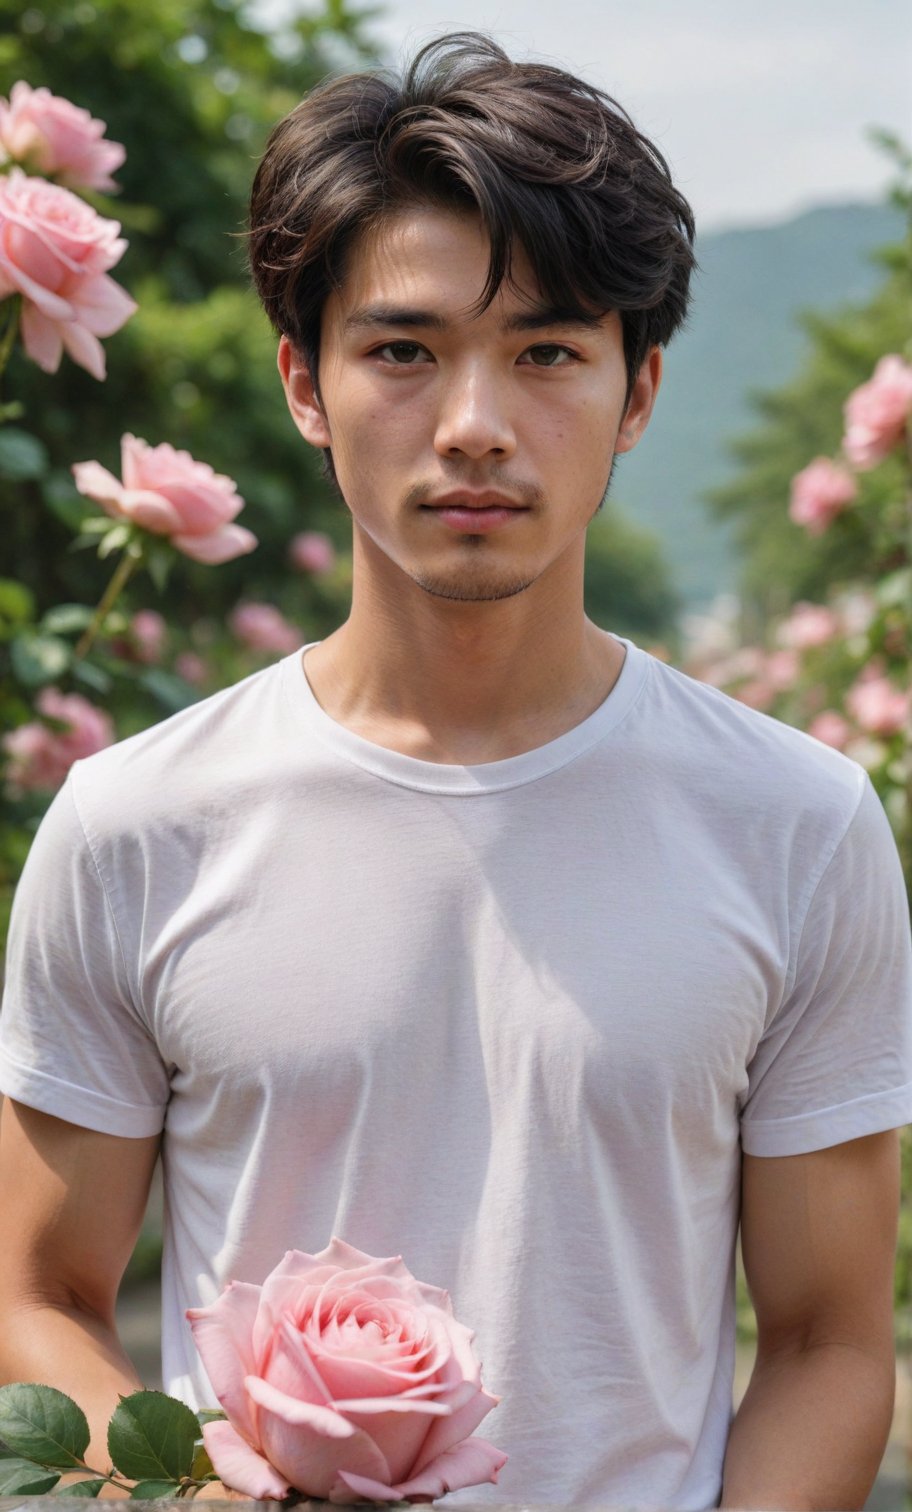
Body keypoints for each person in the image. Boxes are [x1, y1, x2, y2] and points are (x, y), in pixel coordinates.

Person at [1, 31, 910, 1511]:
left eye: (548, 352)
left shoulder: (798, 824)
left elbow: (826, 1341)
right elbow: (37, 1294)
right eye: (404, 350)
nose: (476, 426)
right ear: (306, 381)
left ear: (638, 392)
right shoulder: (136, 825)